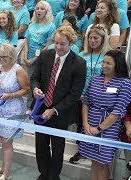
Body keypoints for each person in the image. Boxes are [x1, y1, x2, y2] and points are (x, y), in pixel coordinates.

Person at [30, 25, 86, 180]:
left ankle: (54, 177)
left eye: (63, 44)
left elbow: (74, 95)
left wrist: (54, 110)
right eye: (56, 43)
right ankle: (44, 174)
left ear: (71, 44)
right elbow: (34, 78)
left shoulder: (79, 63)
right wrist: (35, 89)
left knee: (57, 148)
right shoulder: (45, 56)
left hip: (60, 113)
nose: (58, 47)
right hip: (41, 109)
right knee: (40, 147)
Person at [79, 50, 131, 180]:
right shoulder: (95, 79)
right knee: (93, 161)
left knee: (102, 163)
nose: (104, 65)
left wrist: (99, 129)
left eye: (109, 63)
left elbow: (118, 111)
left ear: (117, 65)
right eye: (103, 62)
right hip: (90, 124)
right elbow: (86, 102)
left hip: (109, 129)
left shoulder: (125, 83)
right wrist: (86, 124)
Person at [69, 24, 109, 164]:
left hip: (99, 97)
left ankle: (95, 150)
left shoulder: (107, 56)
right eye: (90, 38)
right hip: (81, 95)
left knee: (96, 124)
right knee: (81, 123)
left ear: (102, 39)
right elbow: (74, 75)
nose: (93, 41)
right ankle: (81, 150)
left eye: (96, 38)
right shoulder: (83, 55)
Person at [0, 43, 30, 180]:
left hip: (13, 109)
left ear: (11, 56)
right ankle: (3, 167)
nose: (1, 59)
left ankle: (6, 174)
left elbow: (26, 89)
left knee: (7, 142)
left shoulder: (18, 70)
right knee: (3, 140)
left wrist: (11, 95)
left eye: (4, 57)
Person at [23, 1, 56, 113]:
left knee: (41, 82)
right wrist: (25, 57)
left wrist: (34, 59)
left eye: (42, 9)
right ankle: (29, 105)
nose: (38, 11)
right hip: (30, 57)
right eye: (37, 8)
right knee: (30, 81)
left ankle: (39, 106)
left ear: (47, 12)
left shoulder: (51, 26)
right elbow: (26, 42)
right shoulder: (31, 25)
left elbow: (48, 45)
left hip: (43, 59)